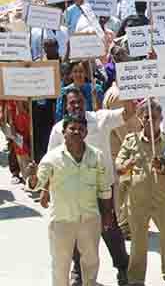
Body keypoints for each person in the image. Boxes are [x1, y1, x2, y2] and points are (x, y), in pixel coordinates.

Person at [47, 88, 134, 286]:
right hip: (74, 192)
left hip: (102, 188)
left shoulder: (101, 118)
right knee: (78, 232)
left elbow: (128, 113)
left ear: (85, 102)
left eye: (79, 101)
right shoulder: (58, 129)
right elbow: (51, 161)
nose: (76, 105)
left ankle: (123, 267)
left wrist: (130, 86)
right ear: (66, 106)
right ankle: (78, 271)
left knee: (110, 229)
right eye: (72, 103)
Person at [28, 114, 114, 286]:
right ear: (64, 132)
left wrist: (107, 215)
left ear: (86, 132)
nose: (76, 132)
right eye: (72, 128)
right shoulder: (51, 158)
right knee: (60, 265)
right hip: (61, 220)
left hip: (89, 220)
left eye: (80, 129)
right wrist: (32, 176)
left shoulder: (96, 156)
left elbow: (104, 190)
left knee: (91, 262)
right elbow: (37, 184)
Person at [114, 100, 165, 286]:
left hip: (163, 199)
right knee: (138, 242)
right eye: (146, 117)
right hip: (137, 201)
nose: (151, 121)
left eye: (155, 118)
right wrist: (127, 165)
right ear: (141, 119)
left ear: (161, 119)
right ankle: (136, 279)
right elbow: (118, 167)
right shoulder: (131, 140)